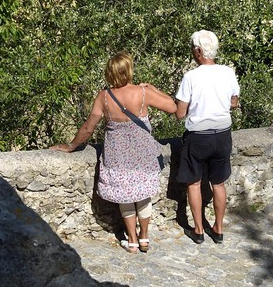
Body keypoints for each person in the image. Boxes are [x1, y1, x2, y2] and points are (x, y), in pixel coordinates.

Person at [52, 52, 178, 252]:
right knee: (143, 195)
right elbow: (173, 107)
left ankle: (133, 239)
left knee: (125, 197)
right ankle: (145, 237)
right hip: (142, 152)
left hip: (117, 154)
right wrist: (155, 89)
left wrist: (71, 146)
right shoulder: (143, 93)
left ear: (109, 73)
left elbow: (88, 127)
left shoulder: (104, 97)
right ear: (128, 70)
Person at [174, 29, 240, 244]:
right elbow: (234, 102)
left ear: (199, 51)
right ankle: (218, 229)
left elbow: (180, 113)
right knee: (218, 183)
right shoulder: (228, 72)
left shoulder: (191, 77)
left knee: (194, 183)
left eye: (193, 49)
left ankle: (199, 230)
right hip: (222, 134)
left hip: (198, 136)